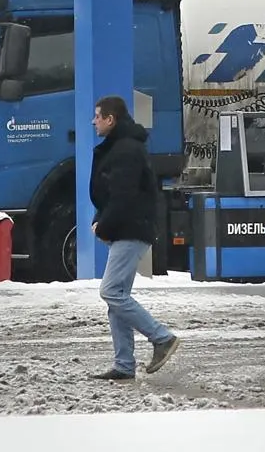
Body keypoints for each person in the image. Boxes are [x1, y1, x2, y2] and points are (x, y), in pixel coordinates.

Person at [89, 95, 181, 381]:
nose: (93, 121)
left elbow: (123, 196)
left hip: (131, 229)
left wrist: (103, 226)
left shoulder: (125, 150)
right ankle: (124, 364)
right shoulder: (123, 146)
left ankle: (162, 338)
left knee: (111, 292)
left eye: (97, 116)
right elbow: (114, 195)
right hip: (128, 228)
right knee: (117, 298)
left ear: (110, 119)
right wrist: (101, 221)